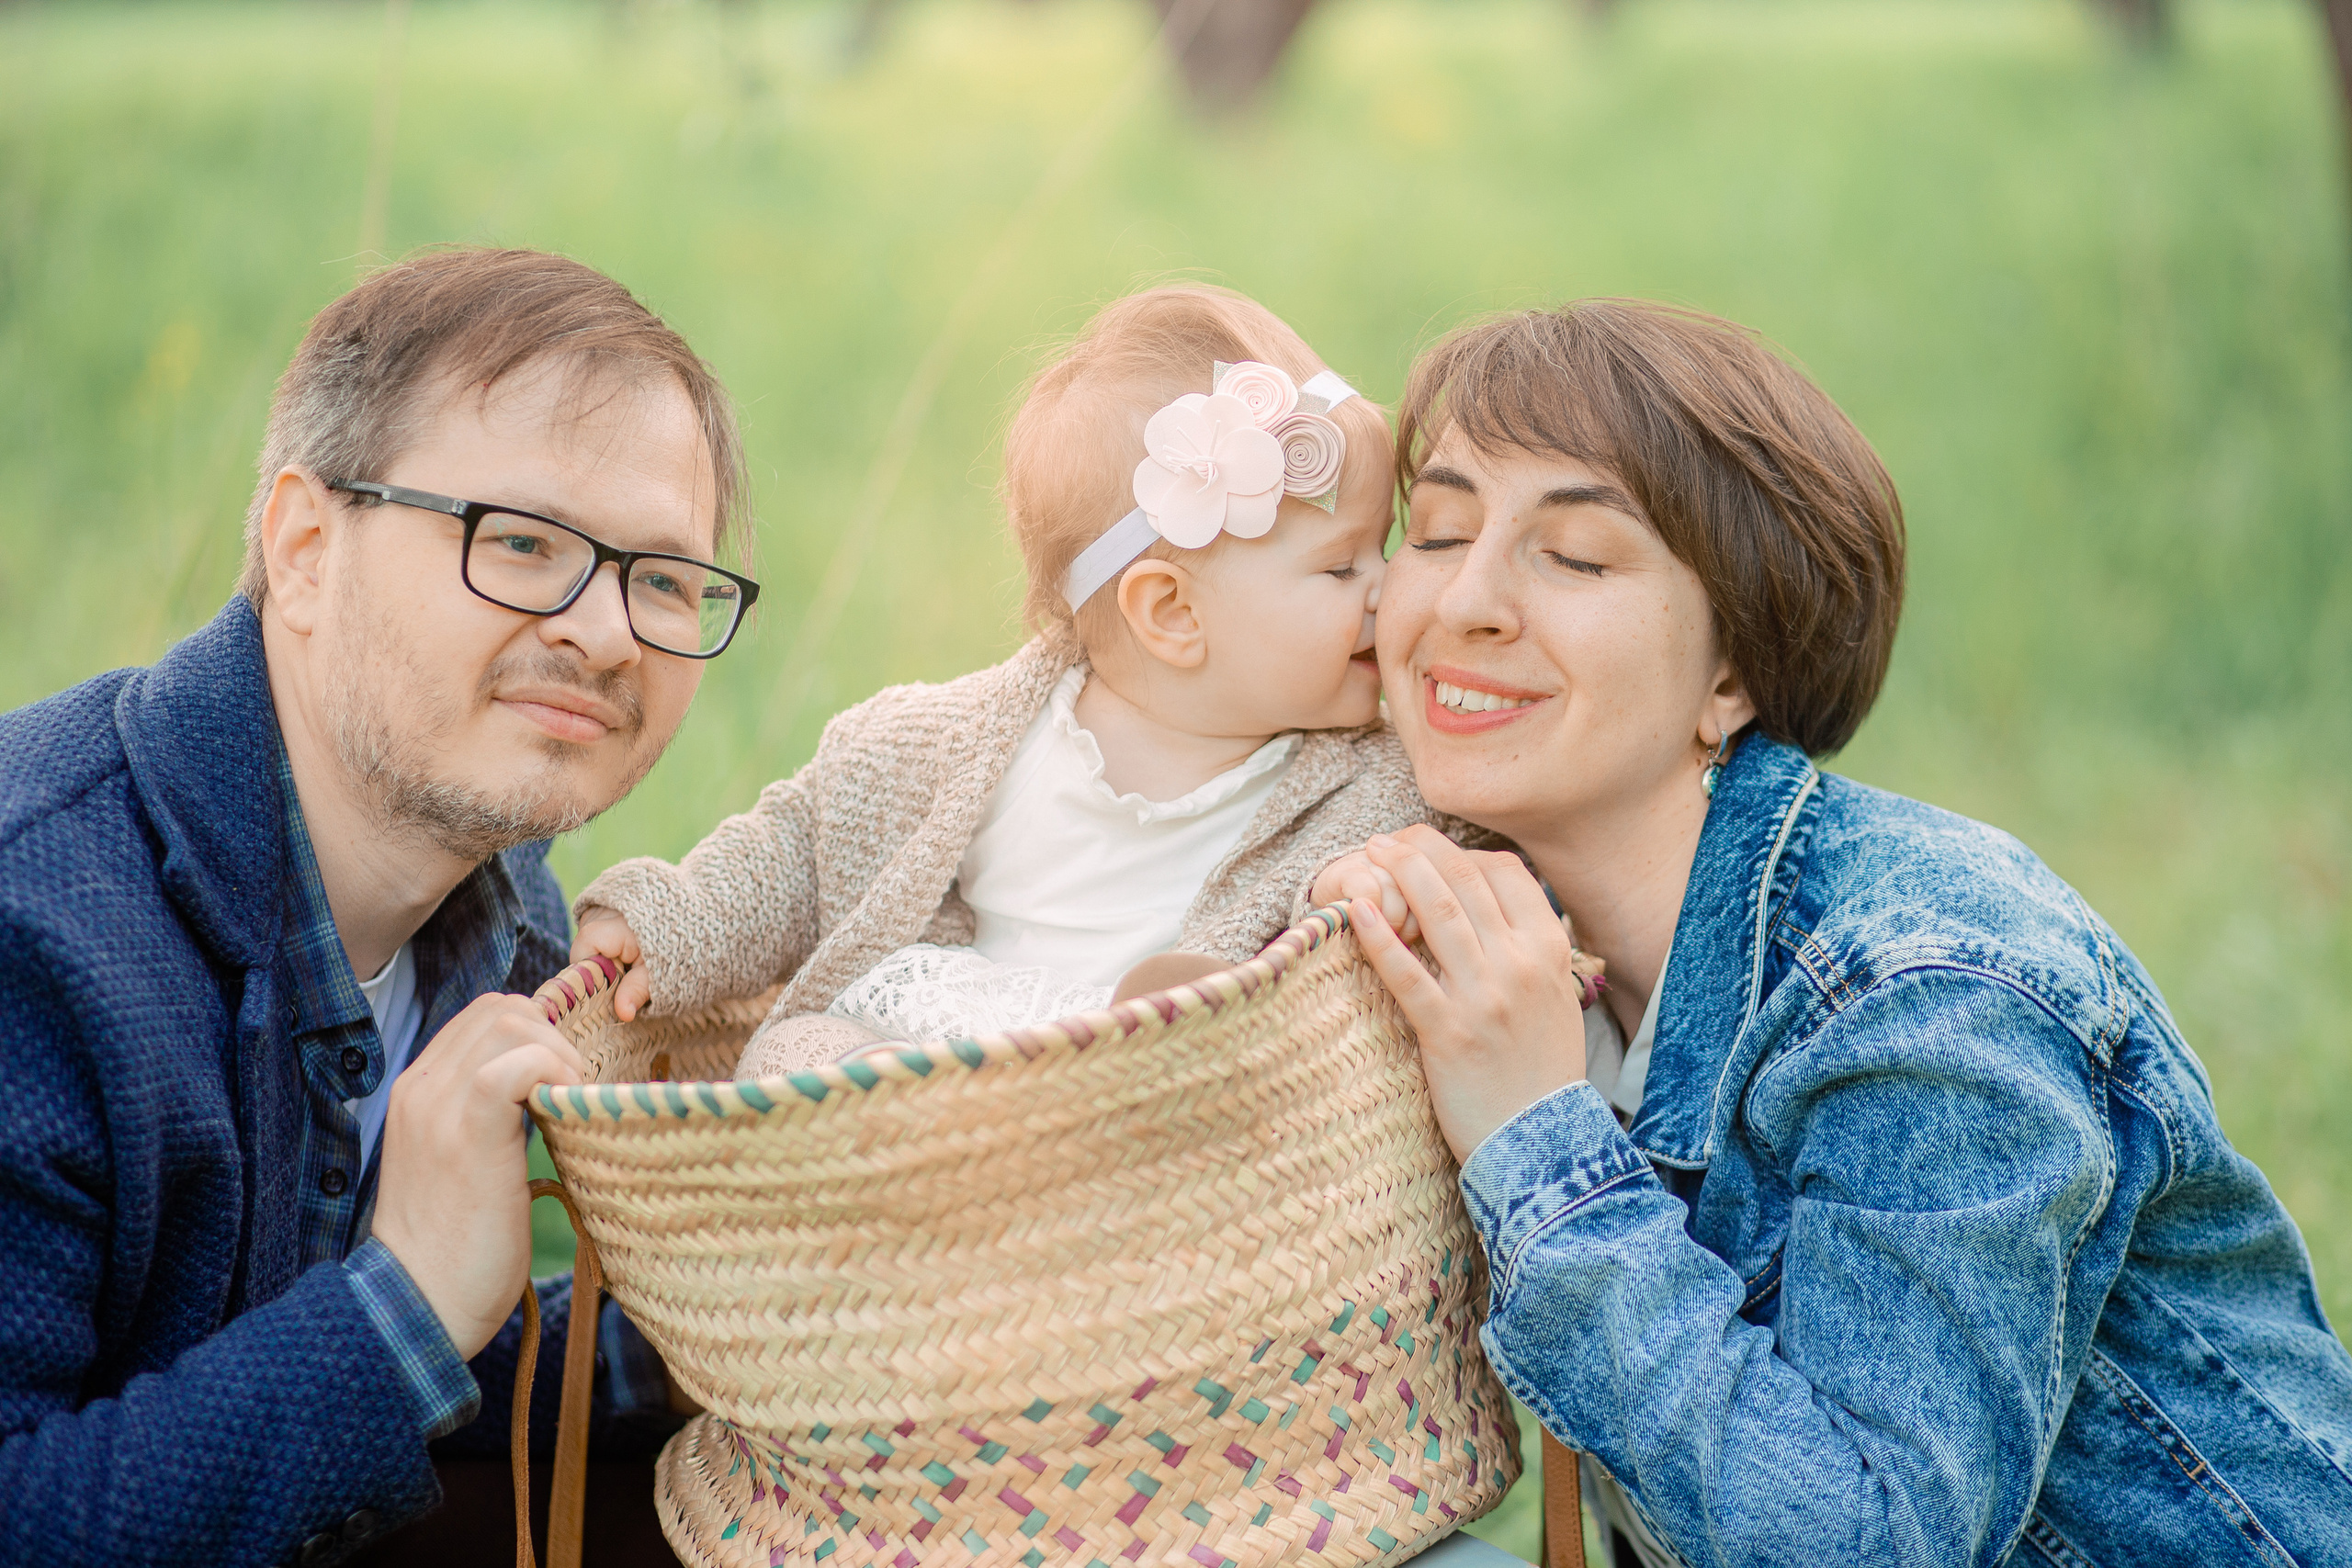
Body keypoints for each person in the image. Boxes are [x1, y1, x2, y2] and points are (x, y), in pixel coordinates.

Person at [1317, 301, 2352, 1565]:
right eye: (1437, 531)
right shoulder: (1506, 942)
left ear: (1732, 679)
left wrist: (1539, 1144)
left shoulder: (1925, 987)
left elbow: (1868, 1543)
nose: (1466, 600)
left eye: (1576, 556)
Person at [0, 247, 756, 1566]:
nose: (607, 634)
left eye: (663, 579)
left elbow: (398, 1340)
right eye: (520, 542)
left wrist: (742, 1318)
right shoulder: (39, 933)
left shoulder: (505, 911)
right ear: (304, 547)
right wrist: (398, 1304)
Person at [572, 286, 1592, 1076]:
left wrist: (1372, 898)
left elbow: (1451, 874)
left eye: (1385, 548)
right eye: (1340, 568)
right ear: (1171, 614)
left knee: (1191, 1046)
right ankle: (919, 1183)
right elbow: (799, 846)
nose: (1389, 590)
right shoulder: (959, 742)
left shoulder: (1378, 784)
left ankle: (1084, 1130)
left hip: (1157, 1084)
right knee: (795, 1054)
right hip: (946, 1047)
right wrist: (671, 926)